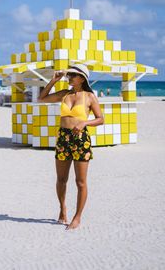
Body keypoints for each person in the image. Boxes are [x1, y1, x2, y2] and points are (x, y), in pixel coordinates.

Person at [38, 64, 104, 230]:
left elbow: (100, 119)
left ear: (82, 78)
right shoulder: (64, 94)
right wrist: (54, 80)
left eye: (73, 75)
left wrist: (85, 123)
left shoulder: (89, 96)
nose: (70, 77)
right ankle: (62, 209)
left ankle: (77, 217)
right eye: (69, 75)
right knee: (61, 180)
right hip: (63, 138)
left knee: (80, 182)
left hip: (81, 140)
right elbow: (42, 98)